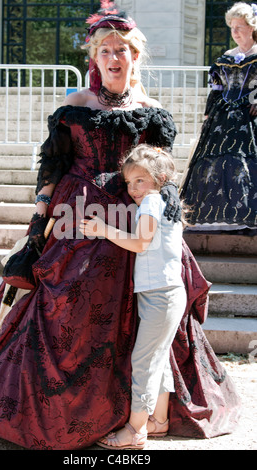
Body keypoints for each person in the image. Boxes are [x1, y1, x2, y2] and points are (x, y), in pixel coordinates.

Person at [0, 3, 240, 450]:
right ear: (95, 58)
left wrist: (168, 221)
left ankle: (137, 415)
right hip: (77, 216)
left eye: (121, 50)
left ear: (134, 56)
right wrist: (40, 216)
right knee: (60, 303)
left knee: (138, 313)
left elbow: (162, 173)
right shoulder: (75, 105)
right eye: (105, 50)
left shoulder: (152, 112)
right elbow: (54, 164)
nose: (113, 57)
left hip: (131, 220)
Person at [79, 144, 187, 450]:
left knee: (143, 361)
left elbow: (140, 242)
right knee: (158, 357)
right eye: (129, 182)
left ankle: (136, 430)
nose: (134, 188)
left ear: (160, 177)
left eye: (140, 179)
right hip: (165, 292)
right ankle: (159, 422)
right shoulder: (166, 202)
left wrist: (103, 228)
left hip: (161, 294)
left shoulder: (152, 201)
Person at [180, 2, 257, 232]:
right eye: (232, 27)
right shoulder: (227, 56)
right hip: (222, 119)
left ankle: (245, 214)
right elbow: (215, 90)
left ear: (251, 27)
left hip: (250, 119)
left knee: (244, 163)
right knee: (215, 163)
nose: (235, 31)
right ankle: (219, 217)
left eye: (240, 26)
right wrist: (208, 117)